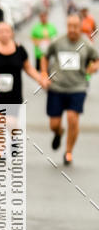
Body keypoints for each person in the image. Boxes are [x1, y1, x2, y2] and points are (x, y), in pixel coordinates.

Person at [41, 13, 99, 165]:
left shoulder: (86, 44)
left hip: (77, 87)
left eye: (75, 26)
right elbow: (45, 56)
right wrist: (43, 74)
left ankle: (68, 152)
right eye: (70, 26)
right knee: (54, 124)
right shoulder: (58, 42)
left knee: (73, 119)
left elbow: (96, 59)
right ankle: (59, 133)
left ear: (81, 27)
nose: (72, 29)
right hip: (57, 88)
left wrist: (94, 67)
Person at [0, 21, 45, 137]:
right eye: (1, 31)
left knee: (11, 123)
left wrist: (40, 79)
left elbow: (28, 68)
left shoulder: (20, 50)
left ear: (12, 33)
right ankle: (0, 154)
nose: (4, 34)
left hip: (14, 96)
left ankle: (14, 140)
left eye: (7, 31)